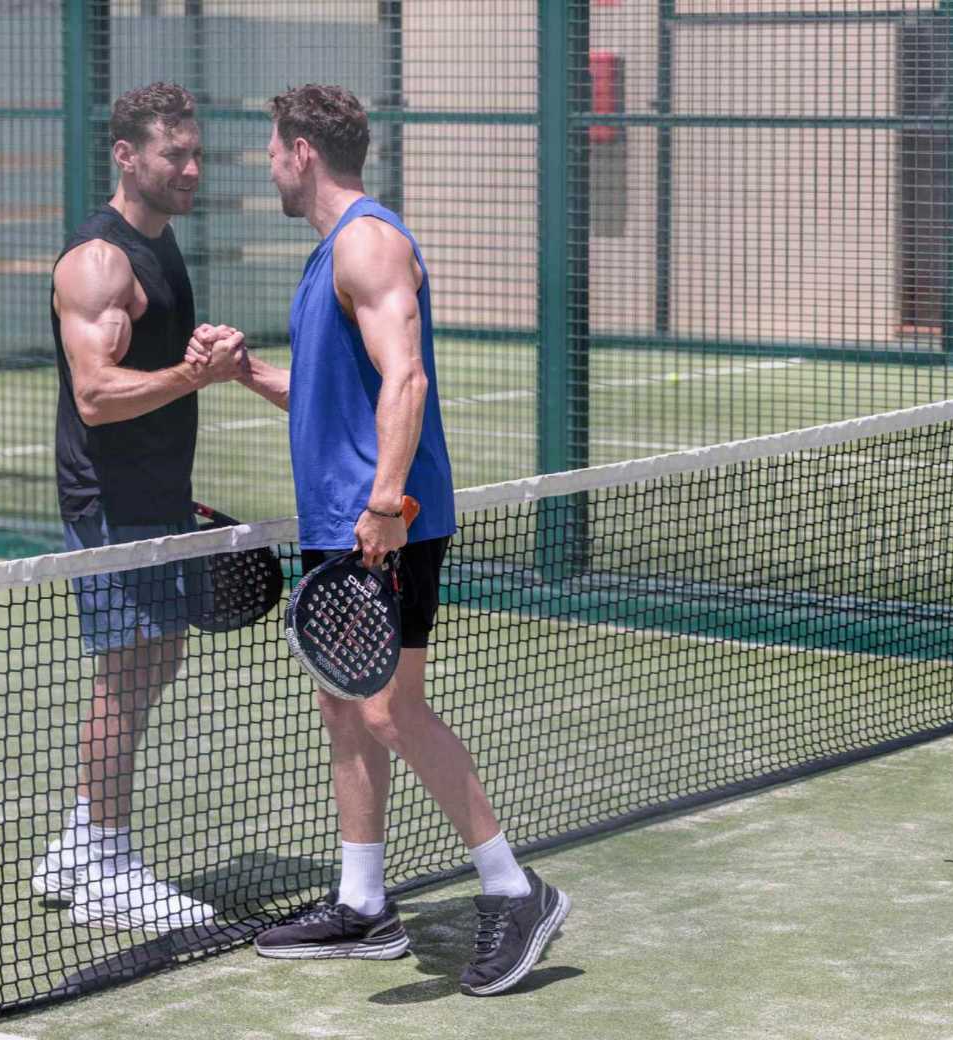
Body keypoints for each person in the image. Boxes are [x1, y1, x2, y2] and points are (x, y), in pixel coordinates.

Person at [208, 83, 570, 994]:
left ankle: (514, 888)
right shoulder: (330, 253)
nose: (269, 167)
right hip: (345, 522)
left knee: (387, 710)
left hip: (382, 526)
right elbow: (332, 394)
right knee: (345, 705)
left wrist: (382, 504)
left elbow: (404, 378)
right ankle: (363, 905)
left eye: (272, 151)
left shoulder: (367, 243)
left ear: (302, 152)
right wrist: (245, 371)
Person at [34, 82, 247, 935]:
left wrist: (195, 354)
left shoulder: (160, 244)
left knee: (156, 660)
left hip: (157, 492)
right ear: (126, 155)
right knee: (126, 678)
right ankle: (108, 869)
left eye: (196, 154)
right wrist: (192, 376)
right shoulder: (99, 261)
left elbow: (147, 367)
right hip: (111, 499)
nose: (191, 169)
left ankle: (78, 842)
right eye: (174, 155)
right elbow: (95, 395)